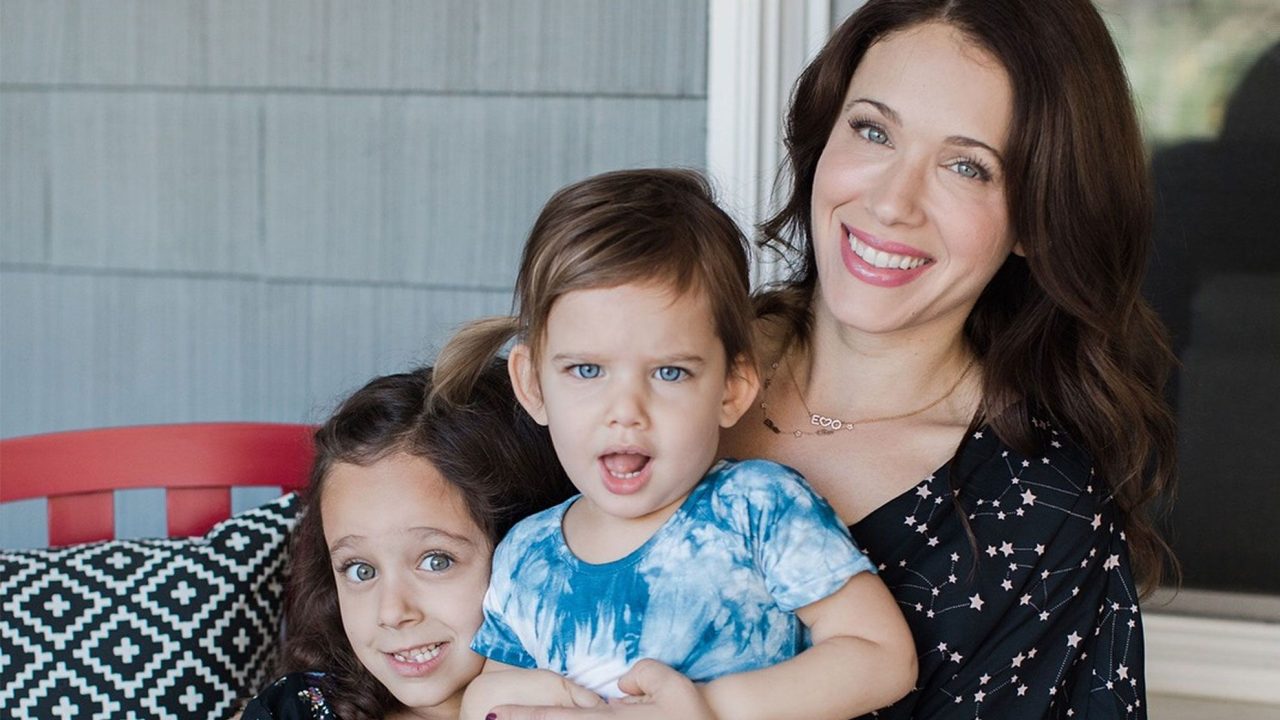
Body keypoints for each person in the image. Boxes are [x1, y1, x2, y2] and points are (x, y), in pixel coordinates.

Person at [491, 1, 1177, 719]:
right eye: (873, 130)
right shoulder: (624, 358)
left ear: (1037, 219)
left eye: (968, 167)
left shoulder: (1042, 518)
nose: (891, 203)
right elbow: (401, 653)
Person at [430, 168, 916, 720]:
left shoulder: (756, 506)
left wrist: (705, 709)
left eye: (669, 373)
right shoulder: (527, 554)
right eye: (587, 370)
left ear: (732, 387)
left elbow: (880, 658)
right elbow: (493, 696)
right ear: (533, 385)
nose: (626, 412)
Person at [240, 361, 575, 720]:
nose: (392, 613)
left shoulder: (607, 700)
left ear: (532, 553)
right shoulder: (296, 710)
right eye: (360, 569)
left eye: (436, 561)